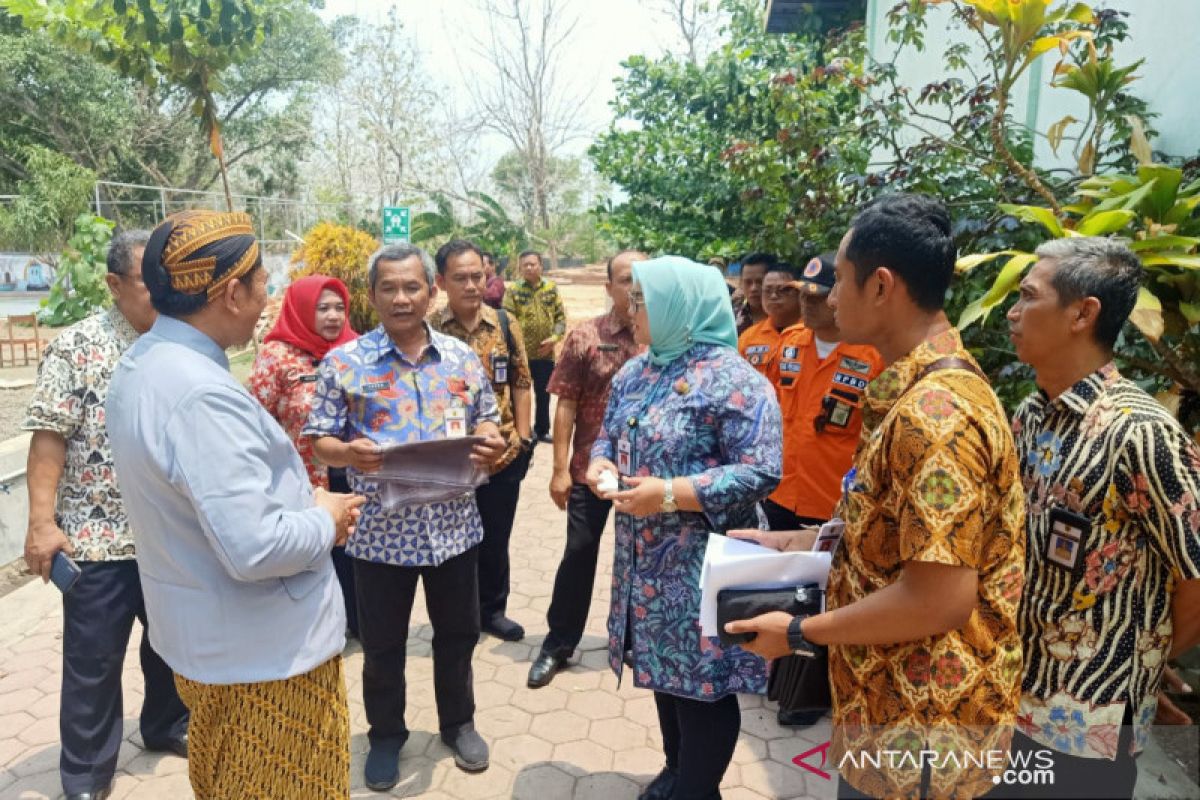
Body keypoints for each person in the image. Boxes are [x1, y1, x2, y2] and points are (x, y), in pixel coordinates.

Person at [726, 194, 1025, 799]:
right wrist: (800, 541)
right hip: (886, 704)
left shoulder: (937, 416)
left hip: (924, 727)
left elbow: (937, 600)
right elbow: (905, 538)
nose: (830, 298)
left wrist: (800, 632)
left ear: (881, 285)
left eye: (838, 280)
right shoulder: (911, 392)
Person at [106, 210, 364, 800]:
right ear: (230, 292)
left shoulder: (143, 363)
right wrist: (324, 517)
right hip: (265, 664)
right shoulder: (201, 394)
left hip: (212, 643)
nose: (267, 295)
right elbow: (255, 547)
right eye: (262, 281)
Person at [304, 243, 507, 791]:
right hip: (380, 537)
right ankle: (386, 734)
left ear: (430, 292)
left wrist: (492, 442)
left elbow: (488, 419)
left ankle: (457, 724)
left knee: (459, 635)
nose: (401, 298)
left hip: (453, 531)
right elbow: (318, 439)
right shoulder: (345, 363)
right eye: (388, 288)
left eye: (412, 287)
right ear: (371, 297)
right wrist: (348, 454)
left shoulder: (461, 358)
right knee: (383, 645)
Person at [1004, 237, 1200, 799]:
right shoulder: (1030, 414)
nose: (1013, 313)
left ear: (1082, 313)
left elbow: (1196, 574)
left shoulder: (1140, 432)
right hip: (1009, 704)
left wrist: (1143, 660)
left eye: (1027, 297)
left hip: (1085, 734)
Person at [586, 256, 782, 800]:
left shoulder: (734, 380)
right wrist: (599, 464)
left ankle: (697, 788)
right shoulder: (638, 369)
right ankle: (676, 772)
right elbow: (607, 434)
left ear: (683, 308)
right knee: (663, 675)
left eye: (644, 301)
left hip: (701, 568)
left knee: (704, 689)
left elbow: (761, 470)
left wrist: (671, 494)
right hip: (643, 564)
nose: (632, 309)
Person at [22, 230, 189, 800]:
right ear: (115, 285)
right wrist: (43, 524)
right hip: (99, 541)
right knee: (93, 664)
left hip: (168, 535)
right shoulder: (79, 348)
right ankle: (87, 775)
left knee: (169, 645)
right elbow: (49, 438)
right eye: (150, 282)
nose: (164, 293)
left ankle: (166, 725)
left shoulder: (181, 343)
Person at [732, 253, 884, 731]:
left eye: (818, 297)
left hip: (830, 500)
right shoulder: (790, 344)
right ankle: (778, 673)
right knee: (785, 588)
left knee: (828, 596)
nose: (812, 305)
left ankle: (811, 692)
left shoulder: (870, 355)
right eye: (805, 296)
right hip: (783, 489)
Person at [527, 249, 647, 688]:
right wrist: (559, 470)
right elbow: (566, 405)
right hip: (590, 470)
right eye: (625, 280)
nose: (634, 289)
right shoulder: (586, 336)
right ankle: (559, 643)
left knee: (641, 557)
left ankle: (636, 641)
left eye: (641, 279)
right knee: (579, 554)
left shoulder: (666, 336)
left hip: (647, 475)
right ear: (608, 286)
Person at [430, 238, 534, 642]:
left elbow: (522, 382)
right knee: (455, 541)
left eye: (478, 276)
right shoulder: (431, 331)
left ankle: (493, 611)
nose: (472, 285)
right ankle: (459, 617)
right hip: (451, 460)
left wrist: (523, 439)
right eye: (461, 278)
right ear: (441, 282)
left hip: (502, 455)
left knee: (495, 538)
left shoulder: (505, 324)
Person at [249, 276, 361, 636]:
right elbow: (255, 423)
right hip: (305, 482)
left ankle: (359, 623)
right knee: (317, 556)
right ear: (300, 309)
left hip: (357, 472)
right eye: (322, 308)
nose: (332, 316)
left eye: (338, 308)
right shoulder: (276, 358)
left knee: (357, 554)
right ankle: (324, 630)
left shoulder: (359, 351)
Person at [503, 249, 566, 442]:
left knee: (543, 394)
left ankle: (541, 430)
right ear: (520, 268)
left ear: (541, 266)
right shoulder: (513, 290)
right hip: (520, 355)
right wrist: (515, 346)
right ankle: (519, 429)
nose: (529, 267)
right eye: (525, 265)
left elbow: (560, 317)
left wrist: (555, 338)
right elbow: (507, 319)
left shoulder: (551, 288)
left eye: (533, 264)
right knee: (518, 393)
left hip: (545, 353)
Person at [737, 261, 802, 385]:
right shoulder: (748, 337)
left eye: (782, 290)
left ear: (799, 293)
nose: (773, 296)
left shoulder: (812, 335)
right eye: (767, 290)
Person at [731, 252, 774, 334]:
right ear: (740, 283)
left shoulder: (786, 319)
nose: (753, 288)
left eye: (759, 282)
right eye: (748, 282)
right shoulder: (731, 318)